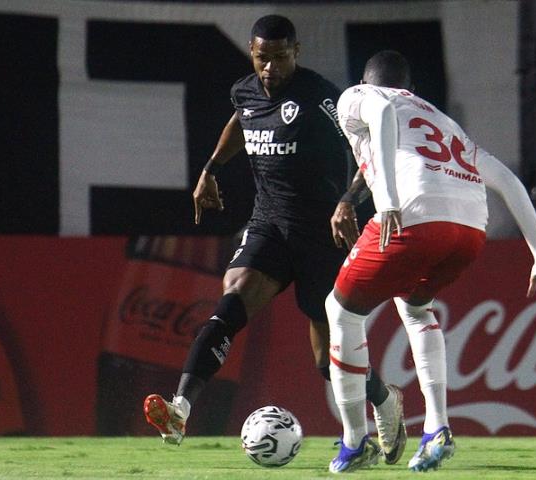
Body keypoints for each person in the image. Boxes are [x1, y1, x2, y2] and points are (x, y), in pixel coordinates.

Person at [142, 16, 407, 463]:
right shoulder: (245, 92)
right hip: (268, 226)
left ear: (296, 52)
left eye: (280, 58)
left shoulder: (321, 96)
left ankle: (384, 400)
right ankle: (180, 409)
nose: (270, 68)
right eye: (263, 58)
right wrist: (211, 169)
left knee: (328, 362)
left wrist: (348, 200)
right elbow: (240, 122)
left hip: (321, 236)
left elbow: (370, 150)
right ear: (252, 52)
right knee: (230, 302)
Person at [326, 50, 536, 473]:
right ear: (411, 87)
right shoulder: (439, 118)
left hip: (413, 216)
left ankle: (355, 441)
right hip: (469, 229)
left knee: (339, 312)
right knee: (415, 308)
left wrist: (390, 200)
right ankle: (436, 427)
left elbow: (378, 108)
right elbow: (507, 180)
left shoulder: (358, 96)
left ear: (365, 81)